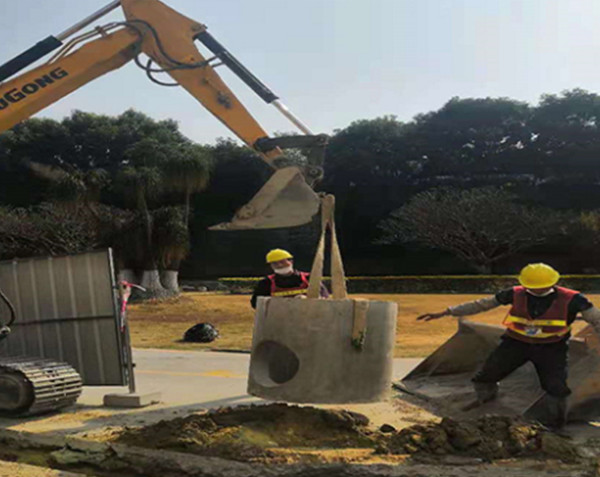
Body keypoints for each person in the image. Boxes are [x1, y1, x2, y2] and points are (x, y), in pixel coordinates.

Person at [417, 263, 600, 429]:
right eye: (530, 287)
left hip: (551, 348)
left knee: (556, 387)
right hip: (515, 344)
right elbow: (482, 304)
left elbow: (596, 319)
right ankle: (485, 404)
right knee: (486, 375)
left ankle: (556, 423)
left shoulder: (574, 299)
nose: (533, 291)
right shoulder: (515, 293)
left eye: (538, 287)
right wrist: (446, 312)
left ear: (551, 283)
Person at [250, 249, 329, 308]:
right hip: (280, 322)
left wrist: (306, 299)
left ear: (291, 261)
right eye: (275, 263)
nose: (279, 265)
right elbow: (256, 304)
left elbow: (324, 298)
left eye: (282, 262)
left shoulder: (310, 278)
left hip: (308, 320)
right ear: (271, 266)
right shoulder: (266, 283)